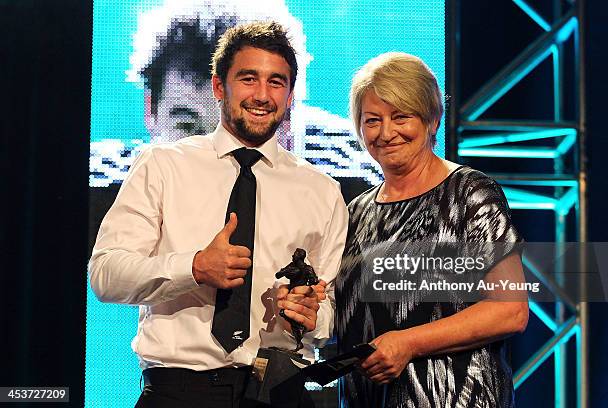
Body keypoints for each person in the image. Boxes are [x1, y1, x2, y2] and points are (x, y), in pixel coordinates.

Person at [89, 21, 348, 407]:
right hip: (180, 391)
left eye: (276, 82)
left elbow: (328, 316)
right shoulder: (162, 166)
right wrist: (194, 267)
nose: (262, 95)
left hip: (280, 391)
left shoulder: (322, 191)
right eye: (248, 78)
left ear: (291, 95)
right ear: (218, 86)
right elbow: (106, 276)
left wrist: (313, 316)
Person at [335, 52, 529, 407]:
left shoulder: (470, 193)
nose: (386, 133)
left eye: (401, 117)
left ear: (432, 119)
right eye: (372, 120)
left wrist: (407, 343)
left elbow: (510, 309)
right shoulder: (355, 212)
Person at [89, 0, 381, 188]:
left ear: (289, 118)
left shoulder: (360, 182)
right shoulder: (109, 182)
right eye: (186, 126)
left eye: (241, 124)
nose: (216, 152)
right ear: (150, 110)